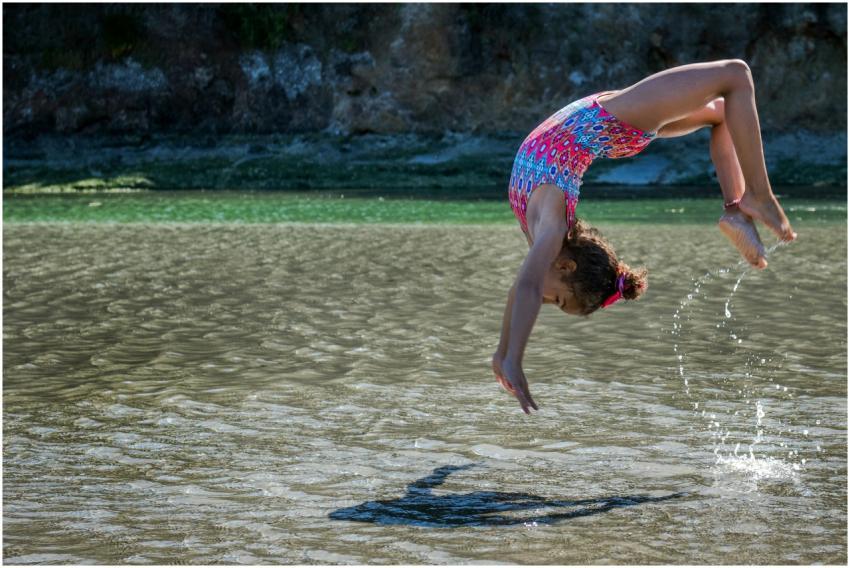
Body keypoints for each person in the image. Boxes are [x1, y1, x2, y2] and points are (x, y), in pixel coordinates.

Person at [493, 60, 797, 414]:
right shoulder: (552, 229)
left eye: (555, 302)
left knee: (726, 99)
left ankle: (744, 204)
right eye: (557, 301)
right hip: (612, 122)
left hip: (607, 124)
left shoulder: (547, 235)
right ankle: (747, 201)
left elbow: (522, 289)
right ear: (566, 266)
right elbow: (527, 289)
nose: (543, 302)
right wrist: (512, 356)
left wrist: (504, 354)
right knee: (735, 78)